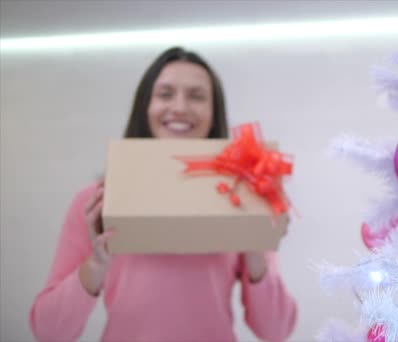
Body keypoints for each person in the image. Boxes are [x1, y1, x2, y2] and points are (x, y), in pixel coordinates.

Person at [29, 47, 297, 342]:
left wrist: (254, 247)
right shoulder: (96, 202)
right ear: (146, 105)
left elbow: (277, 331)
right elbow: (48, 332)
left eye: (196, 96)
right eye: (165, 94)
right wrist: (95, 265)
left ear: (213, 112)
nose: (180, 107)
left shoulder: (242, 194)